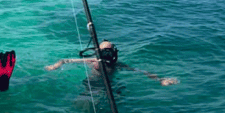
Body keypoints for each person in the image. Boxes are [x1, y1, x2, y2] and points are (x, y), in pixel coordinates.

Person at [45, 39, 179, 86]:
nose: (107, 54)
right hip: (92, 83)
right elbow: (65, 60)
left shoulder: (117, 64)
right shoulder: (91, 61)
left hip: (111, 85)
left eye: (109, 51)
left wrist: (160, 80)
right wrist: (55, 66)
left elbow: (140, 71)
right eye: (104, 51)